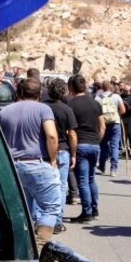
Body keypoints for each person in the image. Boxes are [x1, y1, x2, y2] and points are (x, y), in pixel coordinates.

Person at [0, 77, 61, 248]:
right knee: (50, 208)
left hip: (12, 167)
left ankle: (22, 247)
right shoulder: (43, 109)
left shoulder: (4, 111)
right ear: (39, 94)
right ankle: (40, 247)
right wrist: (53, 160)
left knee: (21, 210)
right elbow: (52, 136)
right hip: (38, 164)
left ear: (18, 93)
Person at [66, 75, 104, 223]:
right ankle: (94, 209)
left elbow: (70, 131)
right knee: (91, 178)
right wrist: (97, 140)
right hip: (94, 144)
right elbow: (102, 126)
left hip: (80, 144)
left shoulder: (71, 105)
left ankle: (86, 212)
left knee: (82, 181)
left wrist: (72, 151)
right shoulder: (95, 103)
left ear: (71, 87)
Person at [46, 78, 78, 234]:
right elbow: (72, 134)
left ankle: (43, 220)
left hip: (46, 151)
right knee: (61, 186)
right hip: (63, 150)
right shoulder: (66, 110)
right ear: (64, 92)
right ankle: (57, 221)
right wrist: (73, 153)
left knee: (45, 187)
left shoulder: (43, 108)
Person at [95, 80, 125, 175]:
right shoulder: (116, 97)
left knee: (103, 146)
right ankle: (113, 169)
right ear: (110, 87)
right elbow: (123, 110)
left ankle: (102, 167)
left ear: (102, 88)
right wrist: (117, 114)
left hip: (103, 124)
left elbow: (95, 112)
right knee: (114, 146)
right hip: (115, 123)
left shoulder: (97, 98)